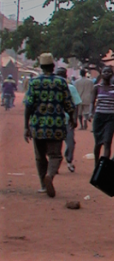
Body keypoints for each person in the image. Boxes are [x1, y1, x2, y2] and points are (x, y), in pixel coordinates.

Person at [24, 53, 75, 197]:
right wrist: (72, 118)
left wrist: (25, 126)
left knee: (40, 156)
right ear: (53, 67)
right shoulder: (60, 82)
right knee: (55, 156)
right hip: (56, 125)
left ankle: (43, 185)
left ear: (41, 67)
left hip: (38, 125)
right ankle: (50, 176)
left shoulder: (33, 82)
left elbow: (28, 105)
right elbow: (68, 104)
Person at [91, 66, 114, 163]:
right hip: (99, 117)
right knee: (98, 143)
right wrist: (90, 112)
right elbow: (92, 102)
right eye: (105, 71)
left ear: (112, 74)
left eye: (109, 72)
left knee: (107, 142)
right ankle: (96, 164)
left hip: (110, 118)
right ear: (101, 74)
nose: (107, 73)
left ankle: (104, 166)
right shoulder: (96, 87)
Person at [55, 67, 82, 172]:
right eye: (58, 75)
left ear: (65, 77)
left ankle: (69, 160)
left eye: (61, 75)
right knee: (56, 144)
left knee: (70, 143)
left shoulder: (71, 88)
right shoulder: (51, 88)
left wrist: (74, 119)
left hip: (67, 121)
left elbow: (76, 104)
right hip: (54, 121)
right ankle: (55, 165)